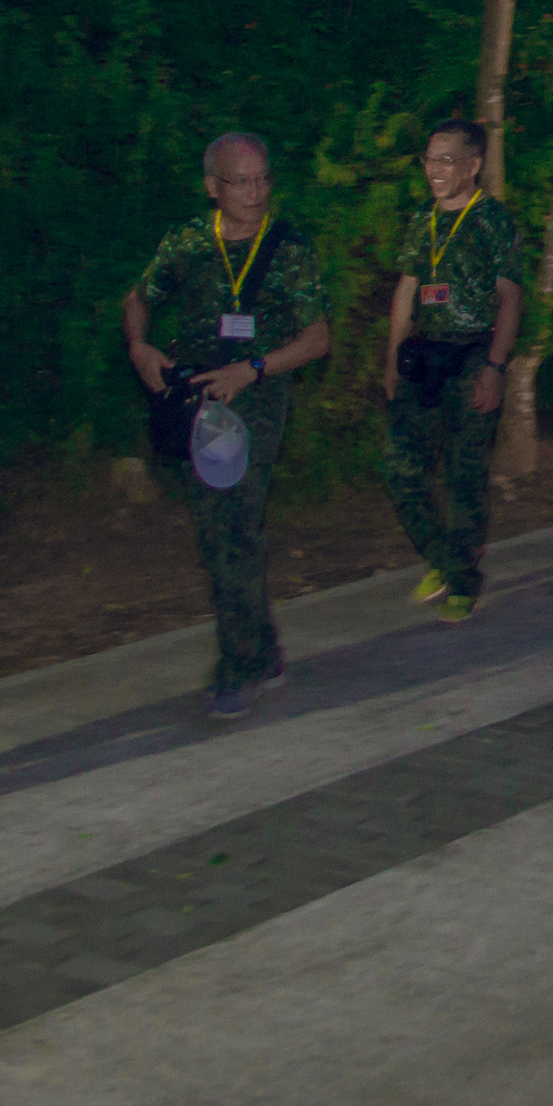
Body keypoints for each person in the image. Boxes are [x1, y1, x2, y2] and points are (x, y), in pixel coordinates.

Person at [126, 132, 334, 716]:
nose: (257, 191)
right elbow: (138, 297)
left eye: (264, 178)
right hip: (197, 397)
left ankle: (235, 665)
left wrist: (254, 368)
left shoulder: (288, 247)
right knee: (221, 528)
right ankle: (262, 652)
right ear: (212, 187)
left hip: (256, 396)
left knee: (231, 523)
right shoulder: (189, 242)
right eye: (242, 181)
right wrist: (140, 348)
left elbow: (317, 340)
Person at [379, 118, 523, 624]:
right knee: (399, 466)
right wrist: (393, 358)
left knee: (464, 472)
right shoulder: (423, 219)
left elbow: (509, 296)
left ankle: (463, 579)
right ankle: (443, 556)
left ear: (473, 165)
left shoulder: (493, 221)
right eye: (429, 160)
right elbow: (406, 288)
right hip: (425, 353)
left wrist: (495, 366)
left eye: (445, 160)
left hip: (473, 352)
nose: (434, 171)